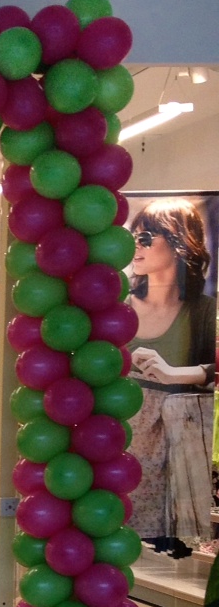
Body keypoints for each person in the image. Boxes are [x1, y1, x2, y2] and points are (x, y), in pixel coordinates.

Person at [124, 198, 216, 545]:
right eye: (134, 236)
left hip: (181, 437)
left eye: (146, 238)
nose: (136, 246)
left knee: (170, 542)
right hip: (122, 436)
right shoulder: (118, 306)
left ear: (178, 241)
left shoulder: (204, 310)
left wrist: (177, 373)